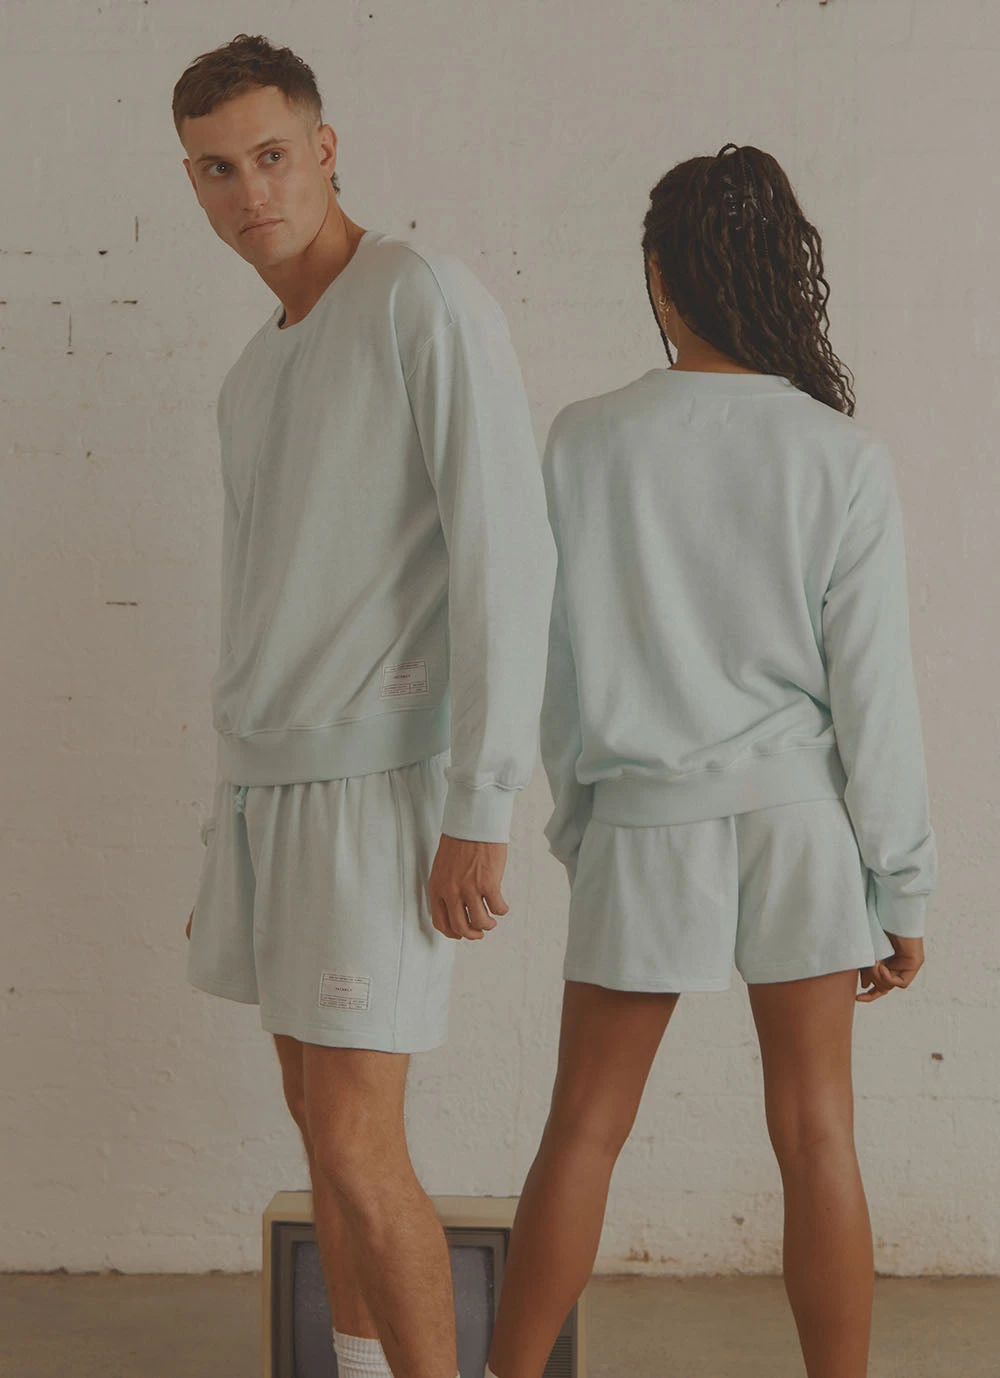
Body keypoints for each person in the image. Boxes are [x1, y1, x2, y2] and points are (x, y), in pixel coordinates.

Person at [485, 143, 937, 1378]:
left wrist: (584, 828)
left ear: (659, 275)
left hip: (642, 819)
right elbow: (873, 697)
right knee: (817, 1133)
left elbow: (555, 670)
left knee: (583, 1128)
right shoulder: (838, 455)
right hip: (799, 824)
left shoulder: (585, 441)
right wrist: (900, 885)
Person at [172, 34, 556, 1378]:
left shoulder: (418, 297)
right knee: (313, 1122)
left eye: (271, 156)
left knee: (354, 1133)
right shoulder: (253, 371)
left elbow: (507, 553)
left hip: (380, 786)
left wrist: (481, 802)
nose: (249, 192)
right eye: (216, 170)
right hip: (273, 791)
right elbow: (264, 615)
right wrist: (230, 827)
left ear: (325, 150)